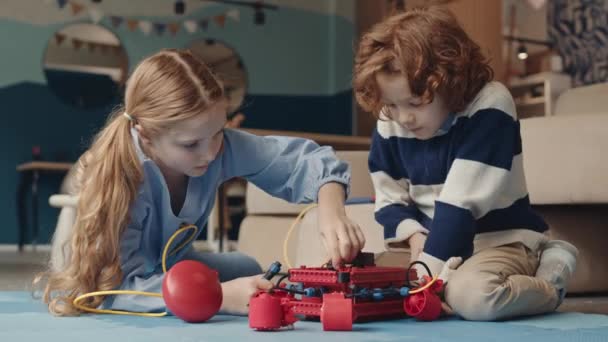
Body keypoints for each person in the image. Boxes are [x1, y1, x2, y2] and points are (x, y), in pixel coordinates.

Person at [40, 48, 365, 316]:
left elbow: (306, 161)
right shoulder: (123, 176)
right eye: (190, 144)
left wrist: (331, 207)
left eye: (218, 133)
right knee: (232, 285)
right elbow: (115, 289)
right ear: (146, 135)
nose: (210, 153)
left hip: (174, 268)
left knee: (250, 268)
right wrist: (219, 297)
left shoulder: (215, 146)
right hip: (114, 277)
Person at [353, 6, 578, 321]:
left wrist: (427, 279)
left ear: (450, 82)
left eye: (415, 103)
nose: (403, 117)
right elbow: (389, 197)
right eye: (391, 104)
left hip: (497, 241)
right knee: (365, 285)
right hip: (433, 242)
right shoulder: (390, 118)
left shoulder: (490, 105)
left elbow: (458, 206)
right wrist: (416, 239)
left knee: (472, 297)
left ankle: (552, 275)